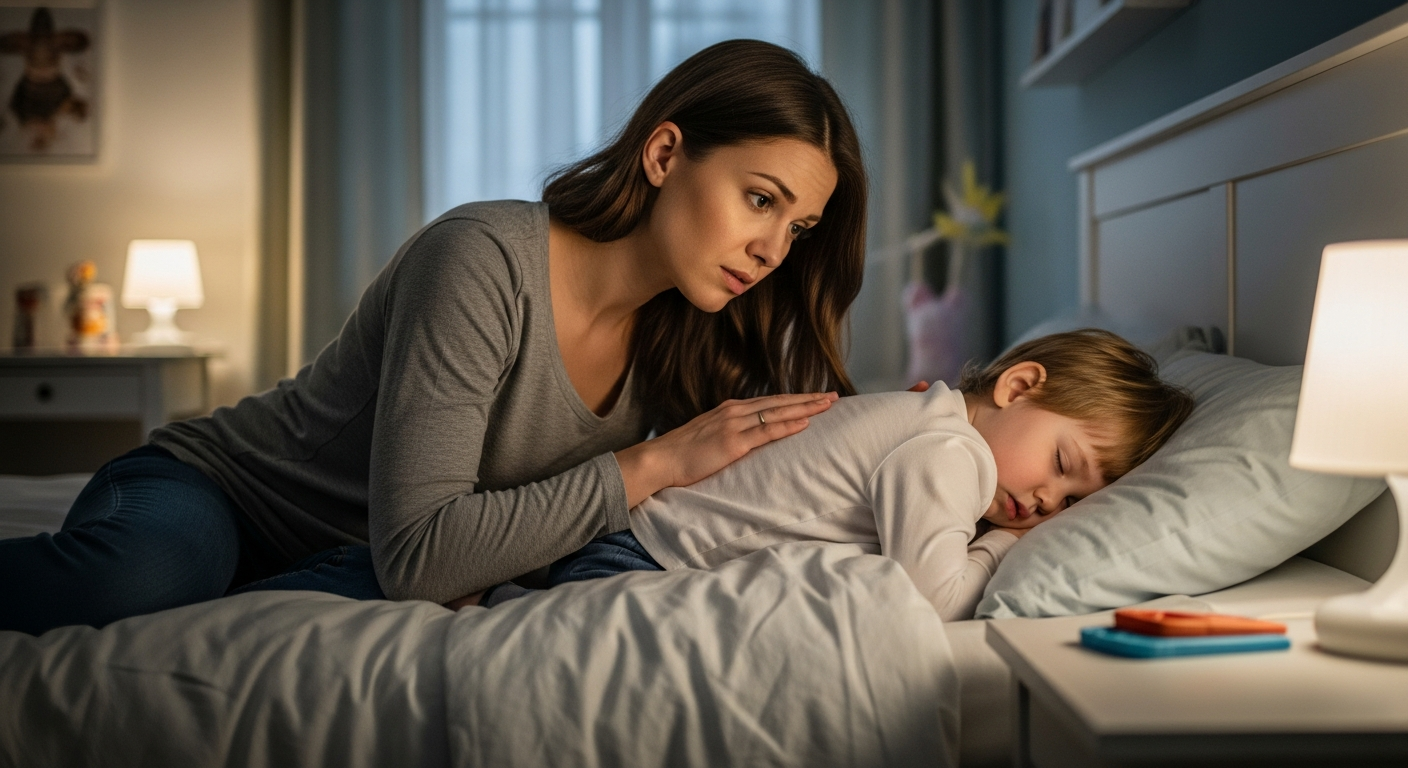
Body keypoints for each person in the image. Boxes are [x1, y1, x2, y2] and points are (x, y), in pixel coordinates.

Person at [0, 39, 869, 636]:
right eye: (762, 199)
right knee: (146, 582)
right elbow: (422, 557)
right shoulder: (482, 257)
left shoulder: (690, 338)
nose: (772, 249)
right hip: (225, 493)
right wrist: (653, 463)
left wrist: (931, 437)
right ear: (665, 153)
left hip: (356, 557)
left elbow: (759, 489)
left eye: (798, 230)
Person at [466, 330, 1196, 621]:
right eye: (1063, 467)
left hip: (637, 535)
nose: (1046, 502)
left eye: (1072, 503)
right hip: (647, 562)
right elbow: (935, 598)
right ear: (1018, 386)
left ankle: (497, 588)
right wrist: (1005, 548)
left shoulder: (929, 419)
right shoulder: (952, 455)